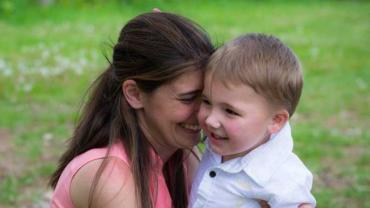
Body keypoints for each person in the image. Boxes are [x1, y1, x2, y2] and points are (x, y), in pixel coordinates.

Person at [49, 12, 214, 208]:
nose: (205, 114)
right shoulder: (110, 176)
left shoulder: (181, 153)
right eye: (187, 99)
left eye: (206, 98)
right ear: (135, 94)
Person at [190, 33, 316, 207]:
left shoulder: (280, 176)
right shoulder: (222, 143)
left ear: (275, 121)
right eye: (206, 101)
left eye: (230, 111)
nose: (211, 120)